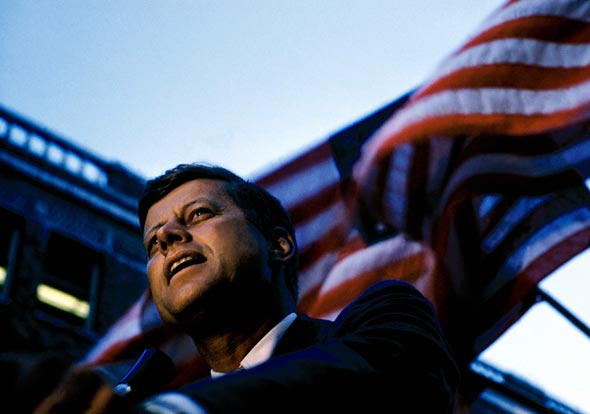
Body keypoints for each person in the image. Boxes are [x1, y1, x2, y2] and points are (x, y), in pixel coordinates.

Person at [35, 162, 460, 413]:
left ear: (278, 244)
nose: (165, 237)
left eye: (198, 214)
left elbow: (400, 378)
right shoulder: (141, 389)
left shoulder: (383, 320)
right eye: (152, 242)